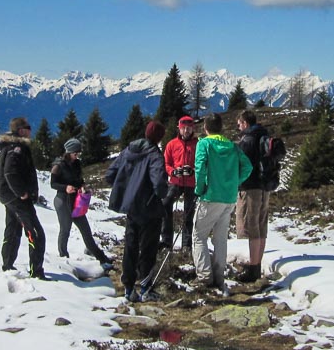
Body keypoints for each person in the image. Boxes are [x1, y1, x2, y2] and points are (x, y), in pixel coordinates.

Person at [105, 120, 168, 301]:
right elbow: (159, 185)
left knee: (130, 246)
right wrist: (163, 192)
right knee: (148, 248)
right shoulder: (154, 155)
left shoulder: (128, 150)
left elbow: (110, 175)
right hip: (149, 209)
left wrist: (126, 188)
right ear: (159, 137)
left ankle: (128, 287)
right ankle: (146, 288)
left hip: (131, 207)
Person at [192, 112, 252, 295]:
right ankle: (219, 277)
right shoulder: (232, 146)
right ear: (221, 127)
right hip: (229, 197)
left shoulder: (204, 144)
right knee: (220, 238)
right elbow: (248, 167)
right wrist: (235, 182)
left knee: (199, 236)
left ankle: (204, 276)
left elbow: (200, 168)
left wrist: (199, 189)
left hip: (210, 196)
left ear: (205, 128)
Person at [0, 117, 48, 280]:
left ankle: (7, 266)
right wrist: (22, 192)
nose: (31, 131)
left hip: (7, 196)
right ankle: (36, 272)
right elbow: (10, 172)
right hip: (16, 198)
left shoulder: (9, 146)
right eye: (28, 128)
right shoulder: (17, 148)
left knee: (13, 230)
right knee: (36, 233)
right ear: (21, 130)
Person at [51, 138, 111, 268]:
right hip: (63, 201)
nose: (77, 155)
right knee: (65, 229)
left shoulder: (77, 164)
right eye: (75, 153)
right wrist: (66, 187)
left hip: (76, 202)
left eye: (78, 153)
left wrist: (83, 186)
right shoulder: (58, 165)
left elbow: (79, 179)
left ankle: (102, 259)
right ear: (69, 152)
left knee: (86, 231)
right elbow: (53, 184)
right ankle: (64, 258)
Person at [236, 109, 273, 282]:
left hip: (251, 188)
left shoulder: (248, 140)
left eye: (239, 124)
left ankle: (253, 268)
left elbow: (241, 164)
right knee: (261, 225)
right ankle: (256, 264)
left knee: (252, 227)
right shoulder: (264, 136)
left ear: (245, 123)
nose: (238, 127)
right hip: (265, 187)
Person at [161, 115, 198, 252]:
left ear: (193, 128)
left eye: (189, 128)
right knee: (166, 204)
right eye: (184, 128)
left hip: (191, 182)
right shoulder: (172, 144)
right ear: (179, 128)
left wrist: (193, 170)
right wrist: (173, 171)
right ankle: (166, 241)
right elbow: (166, 163)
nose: (186, 131)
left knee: (189, 212)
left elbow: (202, 163)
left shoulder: (198, 144)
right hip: (175, 181)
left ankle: (186, 244)